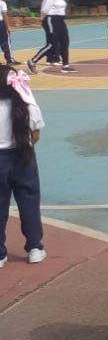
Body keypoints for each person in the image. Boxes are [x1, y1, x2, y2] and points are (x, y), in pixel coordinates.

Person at [0, 65, 46, 267]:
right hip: (23, 155)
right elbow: (35, 134)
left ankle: (0, 254)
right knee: (29, 202)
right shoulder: (26, 102)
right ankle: (34, 247)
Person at [27, 0, 75, 75]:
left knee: (65, 42)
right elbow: (44, 9)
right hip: (51, 20)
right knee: (52, 44)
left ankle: (65, 66)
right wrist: (42, 19)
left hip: (60, 20)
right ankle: (32, 61)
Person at [0, 0, 20, 66]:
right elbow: (5, 15)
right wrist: (8, 27)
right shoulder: (2, 3)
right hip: (1, 24)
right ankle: (9, 60)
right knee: (6, 41)